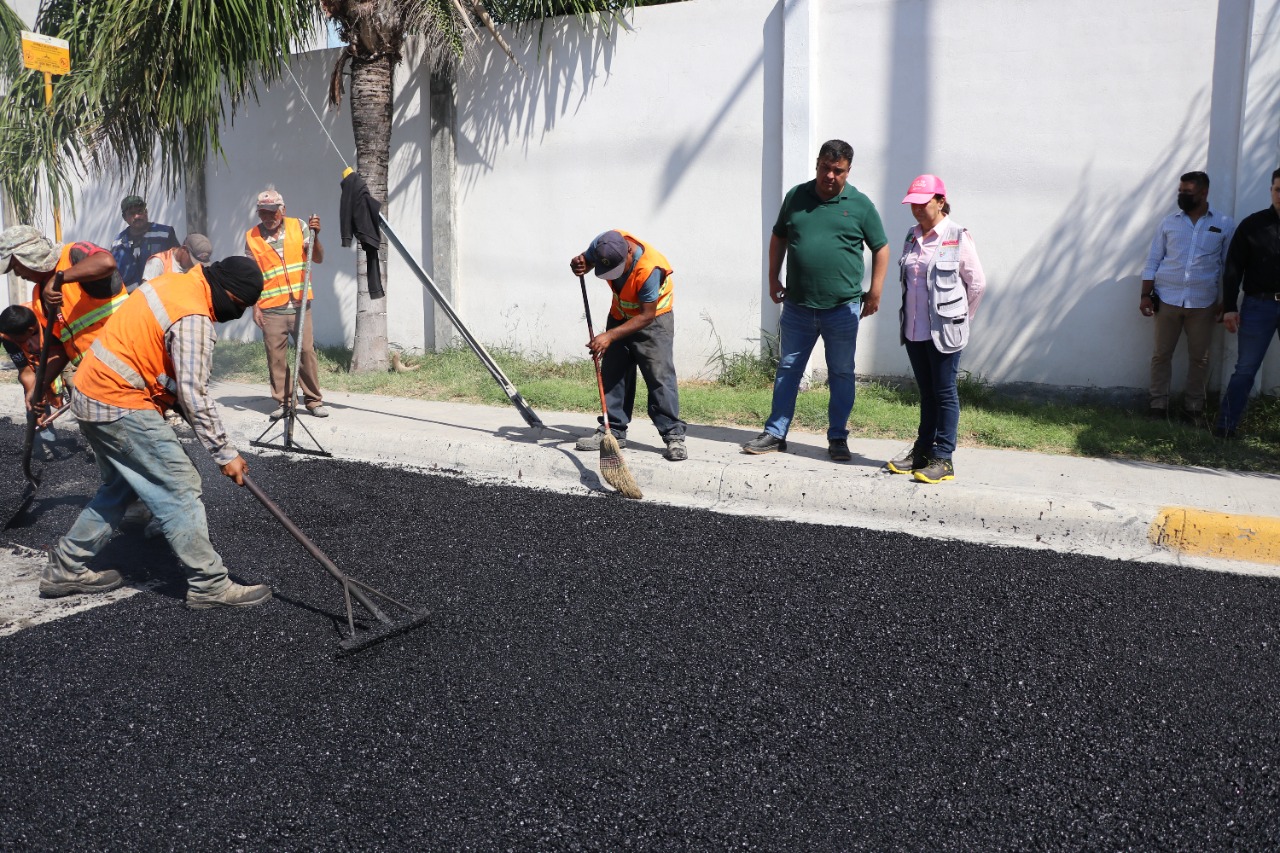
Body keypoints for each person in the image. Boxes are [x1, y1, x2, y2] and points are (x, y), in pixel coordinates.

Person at [39, 257, 273, 610]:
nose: (237, 313)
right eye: (240, 305)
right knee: (178, 484)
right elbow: (194, 394)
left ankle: (65, 567)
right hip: (118, 399)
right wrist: (225, 454)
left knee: (123, 484)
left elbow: (168, 373)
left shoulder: (174, 283)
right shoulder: (193, 316)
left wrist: (181, 405)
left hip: (91, 390)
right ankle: (209, 584)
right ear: (228, 293)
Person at [742, 139, 889, 460]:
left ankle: (838, 437)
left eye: (838, 171)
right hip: (798, 305)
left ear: (848, 171)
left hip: (843, 308)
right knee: (789, 368)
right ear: (817, 164)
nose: (830, 176)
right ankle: (776, 432)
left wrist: (875, 290)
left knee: (841, 373)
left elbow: (881, 247)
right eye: (825, 168)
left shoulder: (860, 205)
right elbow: (779, 236)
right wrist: (772, 276)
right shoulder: (796, 196)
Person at [885, 175, 987, 483]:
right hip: (915, 330)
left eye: (922, 203)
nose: (916, 209)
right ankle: (921, 453)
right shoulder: (911, 236)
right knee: (927, 393)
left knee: (944, 393)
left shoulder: (957, 236)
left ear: (940, 201)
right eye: (912, 204)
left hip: (945, 332)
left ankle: (944, 458)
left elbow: (977, 283)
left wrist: (961, 320)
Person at [569, 230, 687, 461]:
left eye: (618, 268)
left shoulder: (650, 269)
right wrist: (579, 265)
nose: (615, 275)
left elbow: (646, 315)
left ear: (629, 252)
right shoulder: (603, 244)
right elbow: (586, 261)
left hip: (654, 321)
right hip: (620, 314)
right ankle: (612, 430)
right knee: (614, 371)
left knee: (659, 377)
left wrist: (610, 335)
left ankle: (673, 435)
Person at [1139, 171, 1234, 421]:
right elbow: (1153, 260)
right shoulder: (1169, 223)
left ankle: (1193, 409)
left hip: (1203, 304)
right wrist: (1145, 294)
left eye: (1187, 193)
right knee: (1161, 355)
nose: (1181, 196)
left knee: (1200, 359)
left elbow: (1229, 268)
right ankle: (1157, 406)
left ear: (1204, 193)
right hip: (1167, 300)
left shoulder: (1224, 224)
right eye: (1180, 191)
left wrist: (1228, 301)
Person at [244, 187, 328, 419]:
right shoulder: (251, 237)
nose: (268, 217)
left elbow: (318, 258)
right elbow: (252, 276)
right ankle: (284, 402)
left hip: (301, 304)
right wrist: (255, 306)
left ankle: (313, 400)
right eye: (263, 213)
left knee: (306, 353)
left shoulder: (299, 226)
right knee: (276, 357)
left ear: (283, 209)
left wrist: (316, 236)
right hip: (271, 308)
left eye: (272, 212)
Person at [0, 224, 123, 372]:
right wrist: (40, 387)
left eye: (15, 266)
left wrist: (59, 278)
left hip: (126, 359)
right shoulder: (39, 296)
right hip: (94, 373)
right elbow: (58, 348)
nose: (18, 274)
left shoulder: (73, 254)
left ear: (29, 255)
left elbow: (106, 262)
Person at [1213, 168, 1280, 439]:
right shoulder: (1252, 225)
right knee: (1245, 369)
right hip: (1258, 306)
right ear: (1271, 190)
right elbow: (1233, 268)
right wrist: (1230, 306)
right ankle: (1225, 428)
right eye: (1278, 189)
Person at [110, 195, 179, 291]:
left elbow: (179, 264)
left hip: (162, 295)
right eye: (131, 213)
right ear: (124, 217)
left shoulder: (165, 234)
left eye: (140, 211)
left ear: (146, 212)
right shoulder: (118, 243)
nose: (137, 216)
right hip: (131, 300)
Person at [142, 233, 213, 285]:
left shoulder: (198, 267)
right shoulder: (158, 262)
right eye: (193, 261)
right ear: (184, 249)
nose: (195, 265)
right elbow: (145, 295)